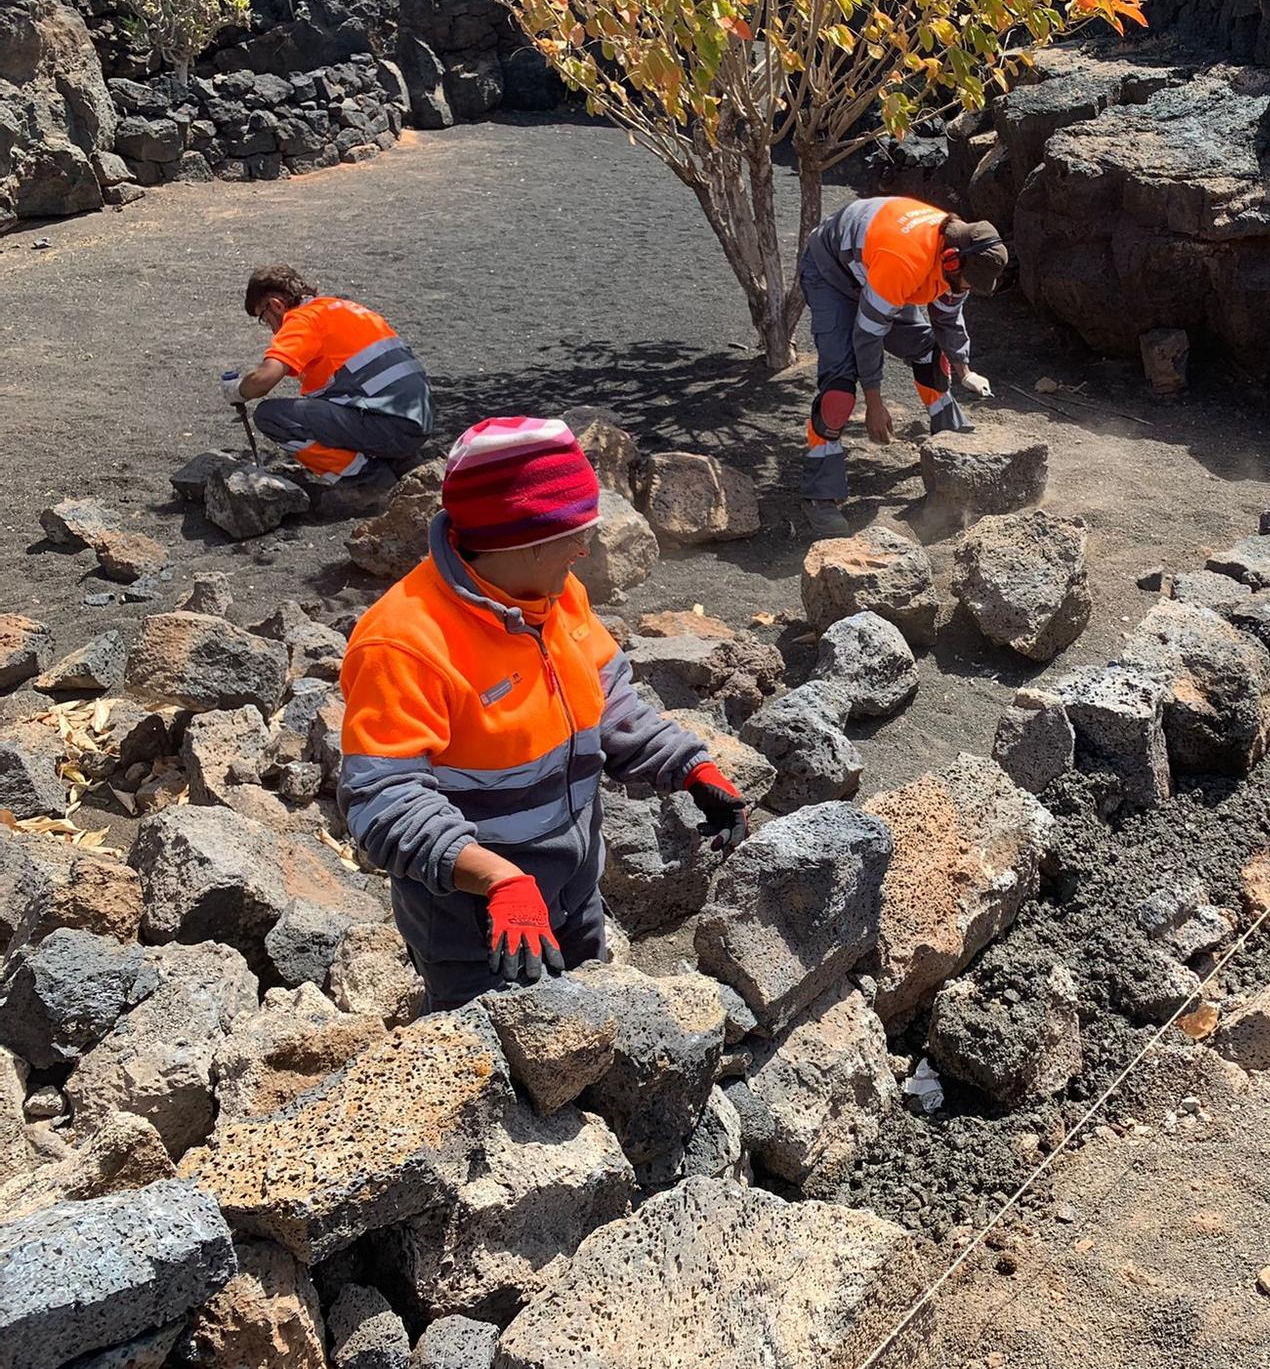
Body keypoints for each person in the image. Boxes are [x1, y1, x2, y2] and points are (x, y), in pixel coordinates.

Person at [337, 417, 750, 1011]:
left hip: (575, 887)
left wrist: (690, 767)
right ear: (520, 540)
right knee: (498, 1074)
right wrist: (498, 880)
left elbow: (606, 698)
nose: (584, 549)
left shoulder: (555, 595)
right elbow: (383, 799)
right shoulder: (404, 643)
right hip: (477, 923)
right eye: (573, 533)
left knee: (587, 1022)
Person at [799, 196, 1007, 535]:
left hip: (875, 268)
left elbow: (948, 316)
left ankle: (951, 446)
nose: (969, 289)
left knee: (930, 353)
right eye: (970, 281)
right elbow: (867, 336)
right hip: (832, 275)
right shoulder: (906, 261)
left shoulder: (959, 246)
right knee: (838, 392)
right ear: (952, 262)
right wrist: (874, 403)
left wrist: (964, 369)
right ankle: (819, 496)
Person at [227, 264, 434, 485]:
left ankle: (367, 479)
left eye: (264, 318)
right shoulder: (343, 308)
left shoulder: (302, 320)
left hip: (388, 425)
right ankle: (399, 461)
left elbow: (264, 380)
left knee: (271, 416)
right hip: (417, 420)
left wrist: (238, 390)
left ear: (276, 305)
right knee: (324, 403)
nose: (270, 328)